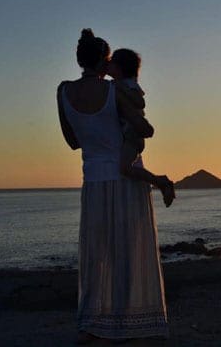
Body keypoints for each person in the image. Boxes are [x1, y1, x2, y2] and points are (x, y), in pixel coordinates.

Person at [57, 29, 169, 344]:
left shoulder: (62, 91)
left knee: (97, 253)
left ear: (79, 59)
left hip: (92, 179)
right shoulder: (113, 91)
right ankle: (129, 321)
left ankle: (92, 323)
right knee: (129, 251)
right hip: (124, 179)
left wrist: (92, 133)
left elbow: (72, 141)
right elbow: (142, 128)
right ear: (105, 61)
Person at [108, 48, 175, 207]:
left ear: (120, 67)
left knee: (124, 168)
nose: (107, 66)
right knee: (125, 168)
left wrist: (119, 87)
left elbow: (140, 102)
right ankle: (159, 181)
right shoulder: (119, 83)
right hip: (128, 135)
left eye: (111, 63)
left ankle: (161, 181)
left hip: (133, 135)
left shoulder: (129, 84)